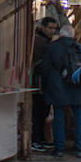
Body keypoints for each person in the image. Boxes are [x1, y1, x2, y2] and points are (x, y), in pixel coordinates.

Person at [41, 24, 81, 157]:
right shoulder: (80, 47)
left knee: (59, 117)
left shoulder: (52, 47)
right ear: (73, 35)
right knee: (79, 117)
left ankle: (59, 148)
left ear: (60, 34)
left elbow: (44, 68)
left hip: (59, 88)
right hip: (77, 87)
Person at [30, 16, 59, 152]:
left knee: (43, 112)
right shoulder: (38, 41)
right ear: (43, 27)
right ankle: (35, 140)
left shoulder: (46, 41)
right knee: (38, 112)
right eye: (50, 28)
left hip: (44, 83)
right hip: (38, 83)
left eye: (54, 28)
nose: (52, 31)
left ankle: (41, 139)